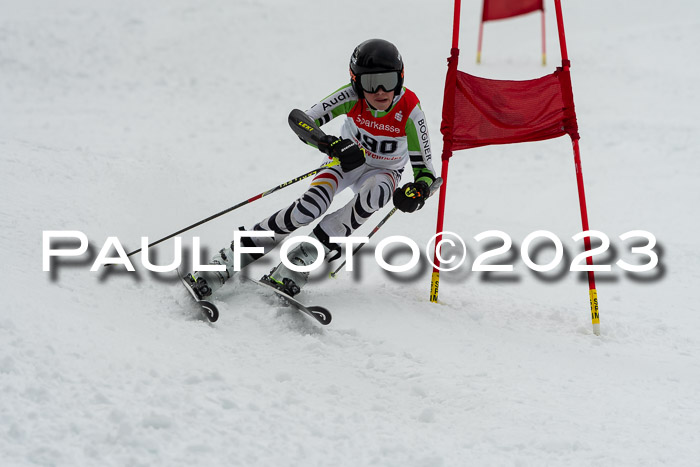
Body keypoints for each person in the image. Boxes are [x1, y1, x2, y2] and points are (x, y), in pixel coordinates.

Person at [184, 38, 437, 298]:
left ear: (401, 78)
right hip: (344, 162)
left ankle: (298, 262)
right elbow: (300, 119)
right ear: (355, 82)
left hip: (384, 172)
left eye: (389, 80)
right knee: (308, 209)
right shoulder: (350, 96)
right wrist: (331, 144)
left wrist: (418, 192)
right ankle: (226, 260)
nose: (381, 91)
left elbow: (427, 173)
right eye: (370, 83)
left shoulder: (410, 110)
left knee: (376, 194)